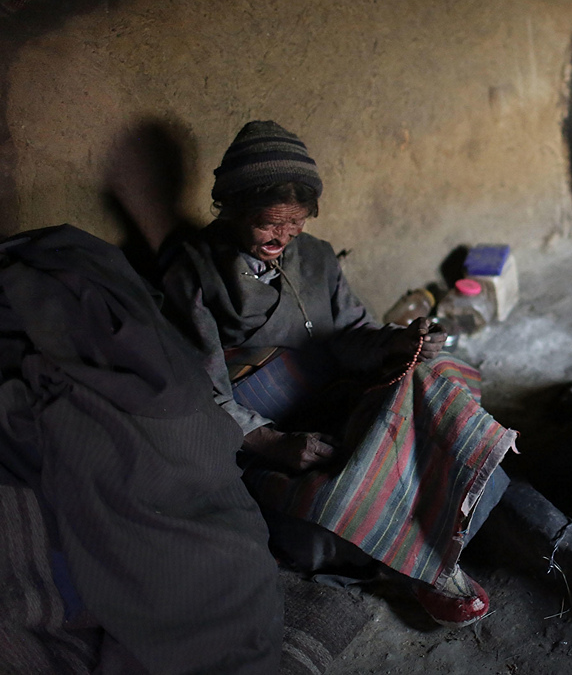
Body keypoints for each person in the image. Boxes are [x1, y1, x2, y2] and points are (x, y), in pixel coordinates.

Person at [160, 120, 515, 628]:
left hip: (332, 389)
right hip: (262, 422)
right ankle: (421, 559)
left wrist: (397, 342)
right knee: (325, 515)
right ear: (233, 207)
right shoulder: (191, 270)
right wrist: (272, 443)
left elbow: (351, 333)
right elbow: (200, 389)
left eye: (296, 223)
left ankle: (436, 532)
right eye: (268, 223)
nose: (283, 236)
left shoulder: (317, 257)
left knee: (432, 381)